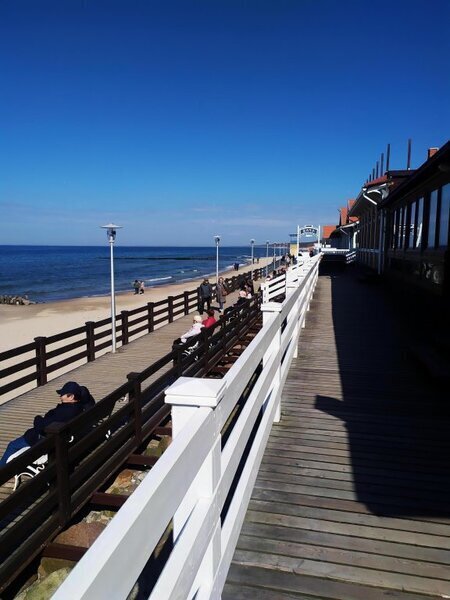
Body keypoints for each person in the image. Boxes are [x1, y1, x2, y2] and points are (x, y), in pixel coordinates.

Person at [0, 382, 85, 467]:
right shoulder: (79, 407)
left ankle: (2, 470)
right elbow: (87, 396)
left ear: (71, 397)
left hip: (44, 441)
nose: (60, 396)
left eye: (62, 394)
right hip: (62, 440)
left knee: (12, 445)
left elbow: (41, 427)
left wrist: (37, 418)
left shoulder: (64, 412)